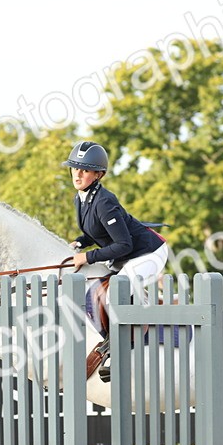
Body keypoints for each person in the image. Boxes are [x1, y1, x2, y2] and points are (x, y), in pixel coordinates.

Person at [64, 140, 169, 378]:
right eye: (75, 168)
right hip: (126, 256)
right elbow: (96, 231)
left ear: (98, 174)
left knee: (114, 293)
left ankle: (122, 350)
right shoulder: (81, 198)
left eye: (84, 169)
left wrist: (87, 256)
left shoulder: (104, 201)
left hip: (148, 253)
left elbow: (124, 244)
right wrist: (81, 242)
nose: (77, 174)